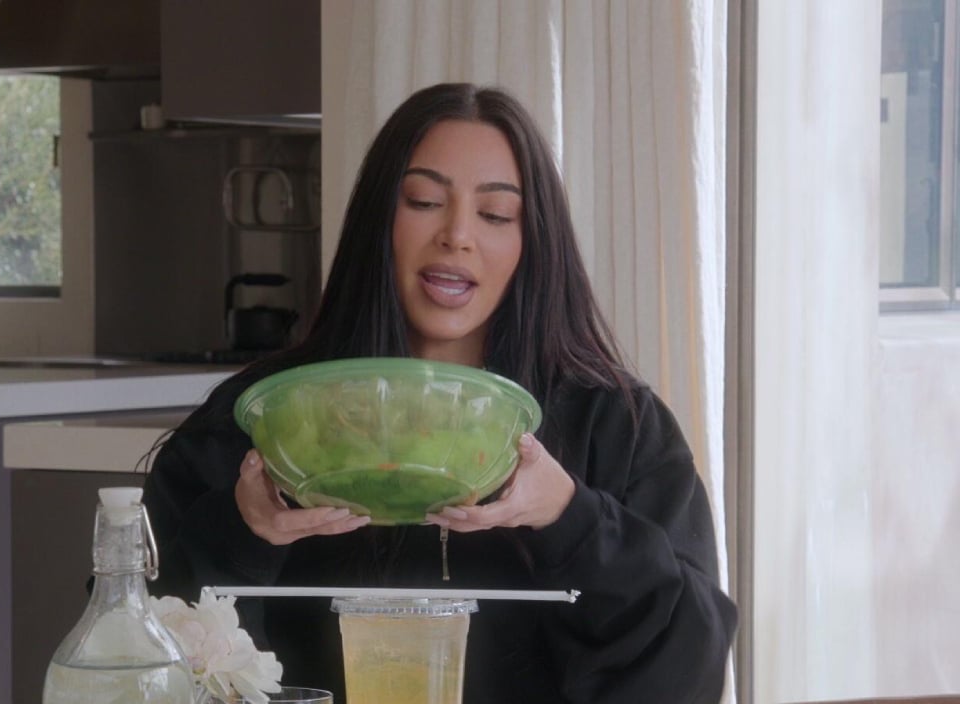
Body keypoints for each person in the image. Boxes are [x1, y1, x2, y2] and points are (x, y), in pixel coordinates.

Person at [143, 82, 737, 703]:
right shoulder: (254, 425)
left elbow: (689, 672)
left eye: (495, 214)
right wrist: (239, 531)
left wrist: (570, 517)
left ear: (532, 241)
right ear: (379, 220)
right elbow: (132, 664)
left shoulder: (618, 428)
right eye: (424, 201)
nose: (457, 235)